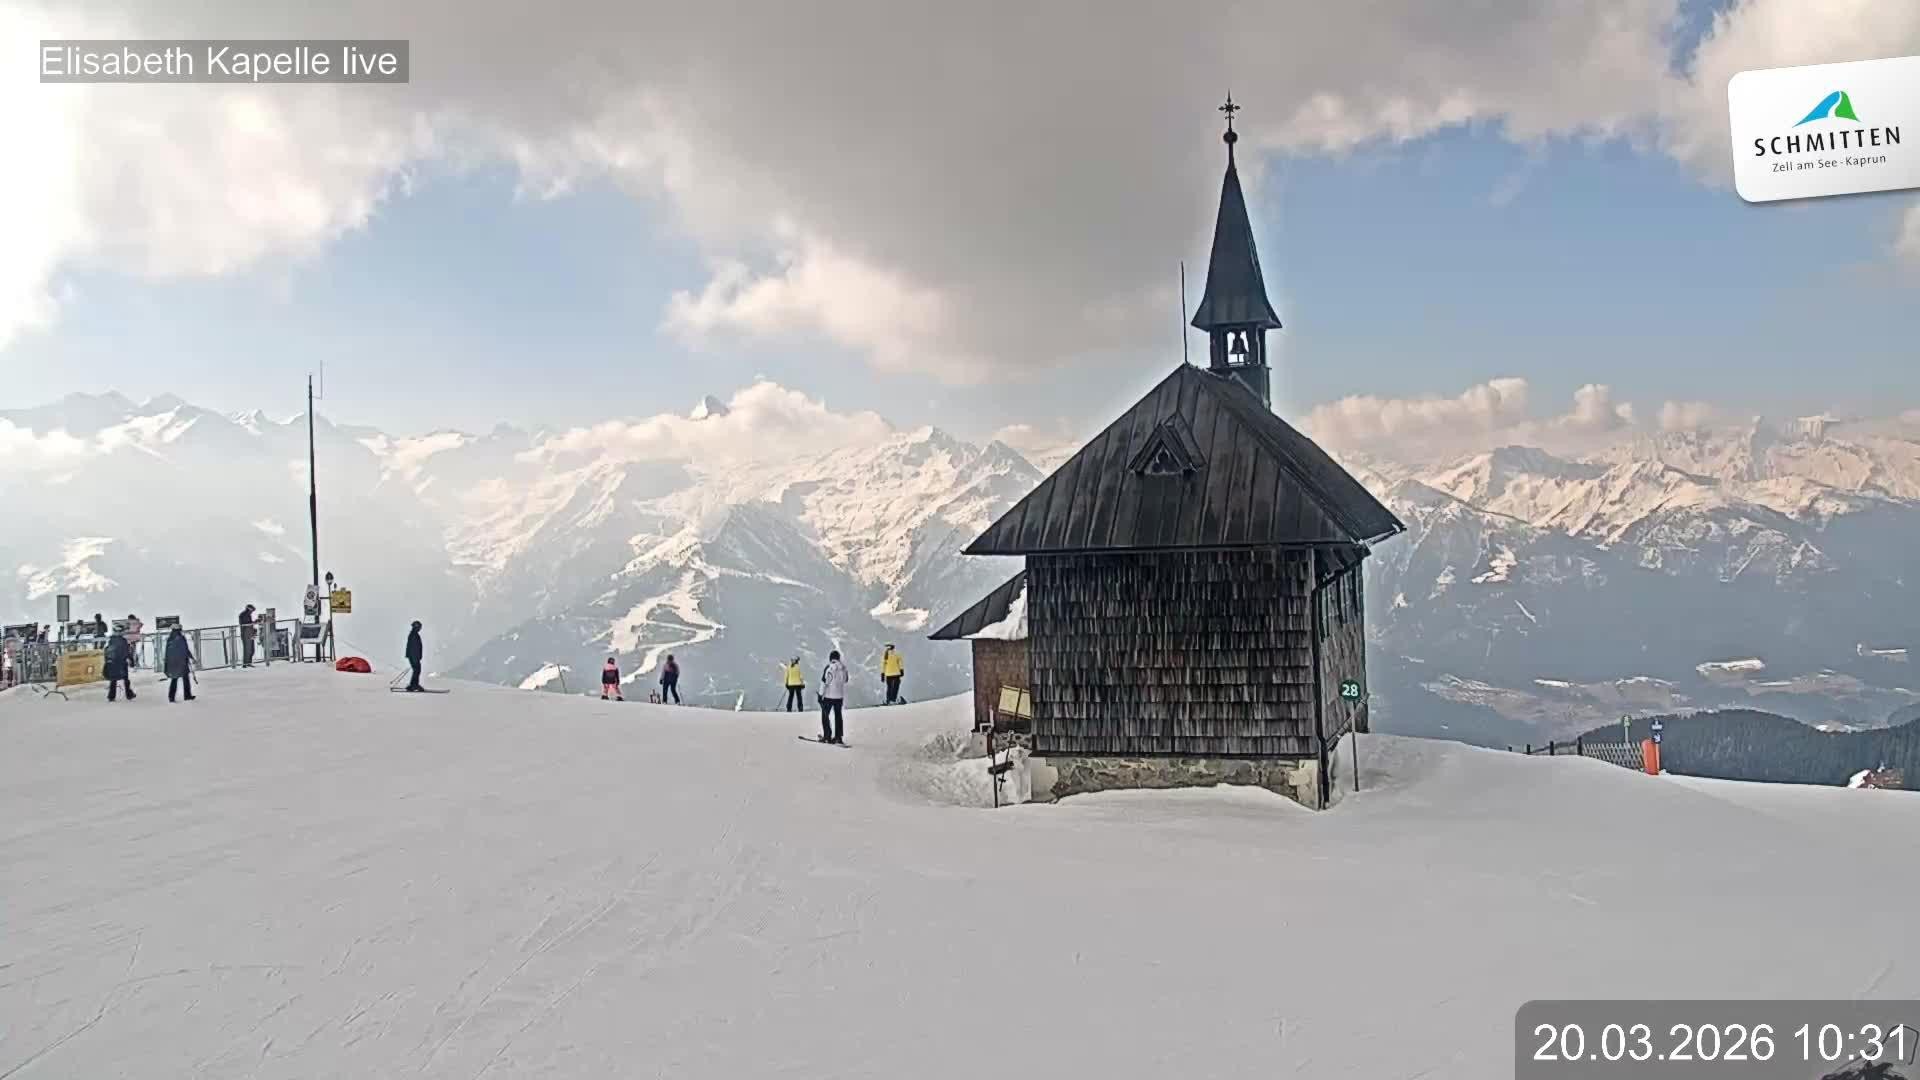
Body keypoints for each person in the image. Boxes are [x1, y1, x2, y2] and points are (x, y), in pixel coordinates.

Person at [818, 649, 848, 744]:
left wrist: (820, 695)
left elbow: (824, 682)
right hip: (839, 697)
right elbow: (846, 680)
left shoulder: (829, 668)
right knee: (838, 716)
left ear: (830, 658)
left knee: (825, 716)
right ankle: (838, 737)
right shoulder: (843, 668)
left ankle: (827, 736)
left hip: (828, 696)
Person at [164, 625, 196, 703]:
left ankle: (171, 697)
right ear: (179, 629)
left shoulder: (170, 639)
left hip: (172, 663)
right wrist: (191, 657)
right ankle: (187, 695)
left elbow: (167, 652)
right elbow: (185, 649)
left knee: (174, 679)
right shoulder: (181, 638)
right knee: (185, 679)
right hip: (182, 662)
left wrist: (167, 663)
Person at [104, 628, 135, 702]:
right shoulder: (123, 640)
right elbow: (127, 652)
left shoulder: (111, 640)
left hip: (113, 662)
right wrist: (131, 661)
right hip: (122, 662)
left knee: (113, 679)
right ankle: (129, 694)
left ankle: (111, 696)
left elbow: (107, 651)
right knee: (126, 679)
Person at [404, 620, 424, 691]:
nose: (420, 628)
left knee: (416, 670)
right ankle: (414, 685)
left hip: (413, 656)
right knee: (417, 670)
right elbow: (414, 648)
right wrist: (416, 658)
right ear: (416, 627)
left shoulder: (413, 634)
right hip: (414, 657)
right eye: (419, 627)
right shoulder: (414, 635)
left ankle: (413, 685)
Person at [238, 604, 257, 668]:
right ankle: (245, 664)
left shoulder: (248, 615)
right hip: (246, 634)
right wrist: (254, 623)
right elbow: (246, 624)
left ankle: (248, 663)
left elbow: (249, 623)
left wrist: (253, 626)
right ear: (249, 609)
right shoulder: (244, 614)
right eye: (252, 610)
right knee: (247, 649)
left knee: (251, 649)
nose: (252, 611)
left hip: (249, 633)